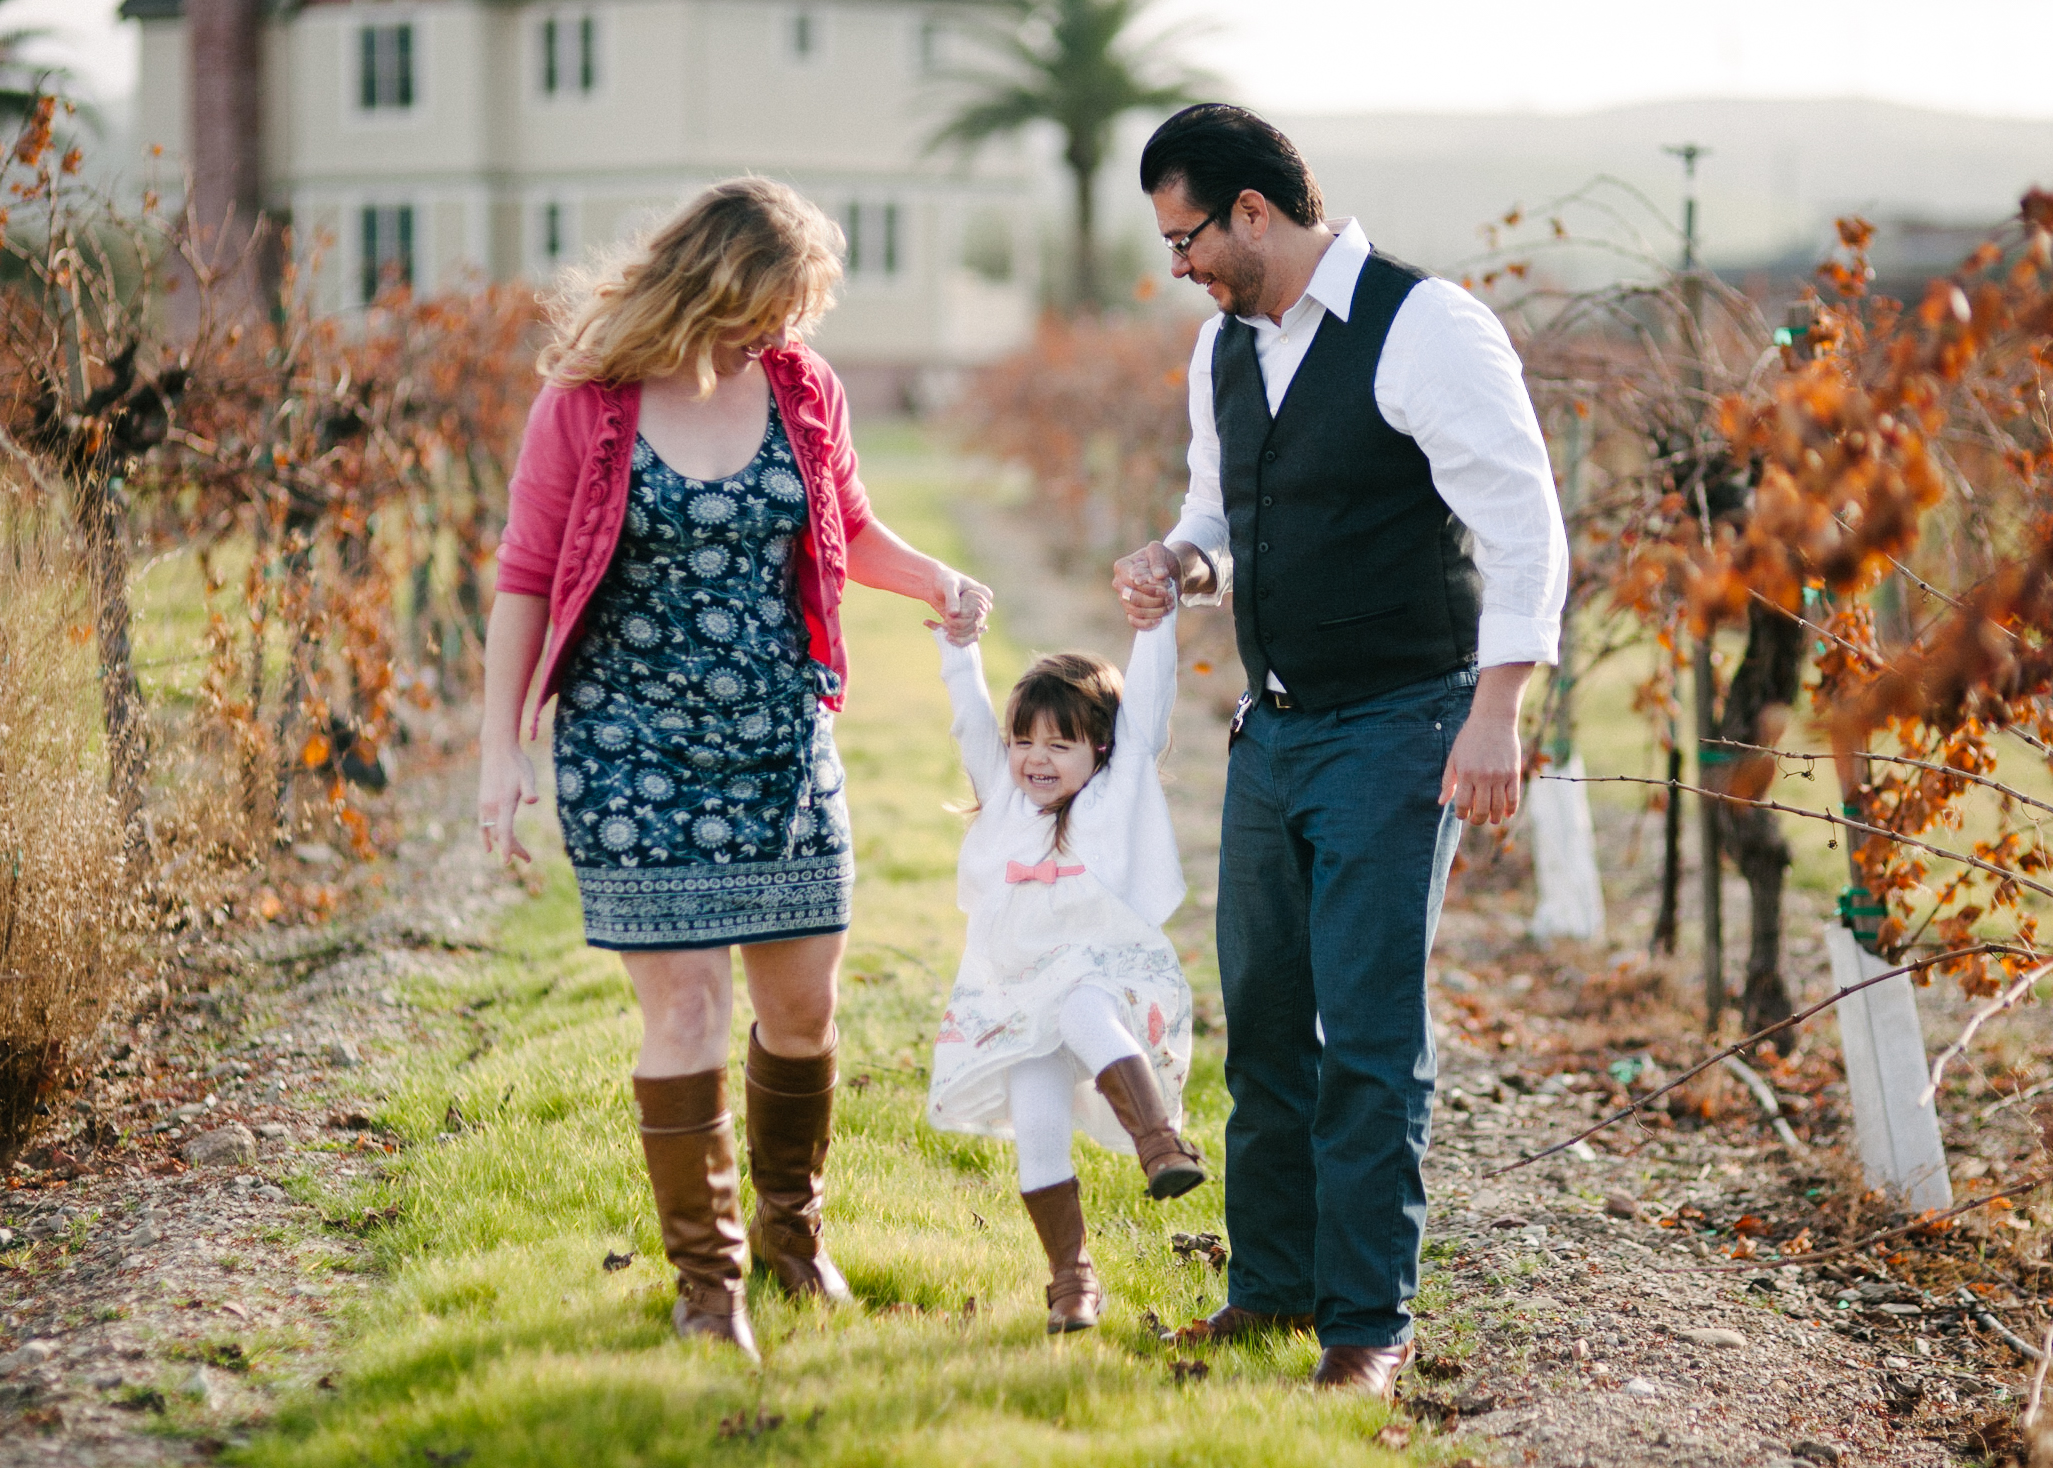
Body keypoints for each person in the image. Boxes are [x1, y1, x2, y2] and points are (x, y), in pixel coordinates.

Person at [478, 178, 993, 1363]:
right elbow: (524, 575)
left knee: (802, 1009)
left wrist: (938, 581)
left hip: (780, 739)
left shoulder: (802, 388)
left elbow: (846, 526)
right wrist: (500, 749)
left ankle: (791, 1238)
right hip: (630, 745)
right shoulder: (587, 402)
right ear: (719, 283)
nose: (791, 325)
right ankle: (709, 1290)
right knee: (687, 1008)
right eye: (780, 300)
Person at [1113, 105, 1568, 1398]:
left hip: (1399, 723)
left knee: (1365, 1034)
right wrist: (1179, 562)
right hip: (1273, 729)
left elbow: (1521, 526)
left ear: (1253, 211)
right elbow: (1221, 513)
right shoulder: (1222, 345)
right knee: (1262, 1023)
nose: (1179, 266)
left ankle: (1366, 1324)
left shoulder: (1424, 326)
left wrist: (1497, 709)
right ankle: (1270, 1287)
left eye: (1186, 238)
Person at [927, 609, 1205, 1333]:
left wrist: (1156, 621)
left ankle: (1159, 1145)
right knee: (1038, 1119)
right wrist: (959, 646)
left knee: (1083, 1008)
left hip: (1108, 976)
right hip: (1017, 996)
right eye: (1023, 741)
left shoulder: (1116, 795)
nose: (1036, 758)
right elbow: (970, 722)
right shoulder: (1005, 801)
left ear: (1101, 747)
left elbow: (1148, 708)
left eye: (1059, 743)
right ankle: (1071, 1281)